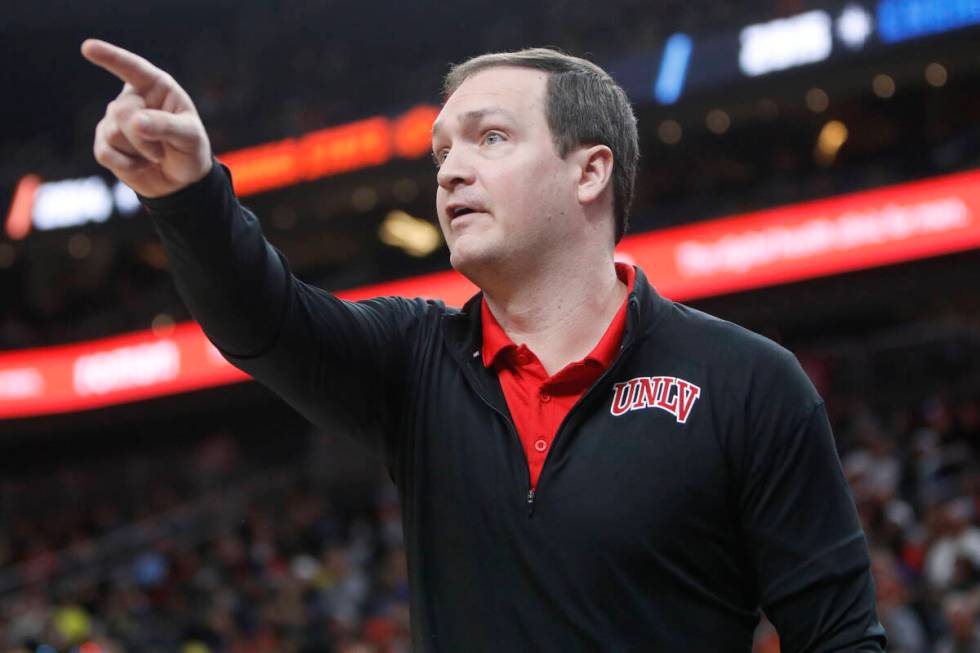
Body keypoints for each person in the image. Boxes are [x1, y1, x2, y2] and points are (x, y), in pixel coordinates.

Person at [82, 38, 887, 651]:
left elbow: (841, 640)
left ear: (589, 171)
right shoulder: (413, 359)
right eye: (442, 150)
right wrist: (189, 194)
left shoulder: (747, 382)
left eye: (489, 138)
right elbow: (267, 322)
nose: (450, 171)